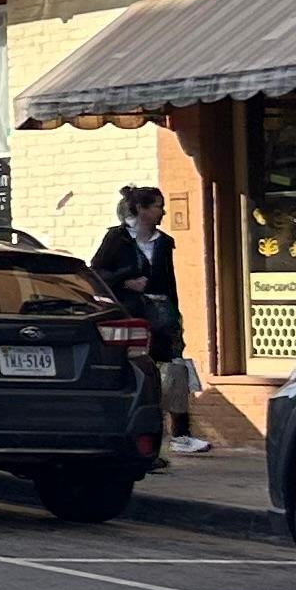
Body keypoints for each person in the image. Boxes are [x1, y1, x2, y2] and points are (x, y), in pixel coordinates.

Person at [90, 184, 208, 454]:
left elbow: (169, 281)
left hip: (161, 314)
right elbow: (97, 273)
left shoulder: (163, 242)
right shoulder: (117, 238)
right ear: (141, 209)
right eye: (157, 206)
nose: (162, 212)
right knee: (139, 371)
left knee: (176, 369)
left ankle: (181, 433)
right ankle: (142, 436)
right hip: (132, 314)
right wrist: (125, 282)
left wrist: (175, 315)